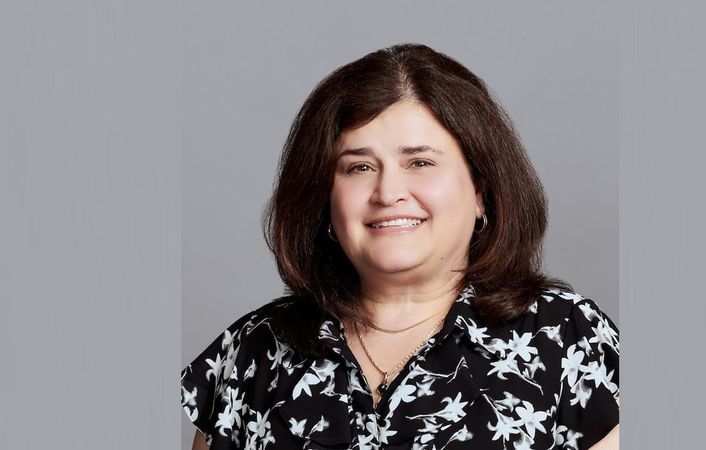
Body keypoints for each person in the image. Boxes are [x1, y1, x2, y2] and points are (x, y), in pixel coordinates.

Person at [180, 43, 620, 450]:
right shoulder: (253, 351)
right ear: (323, 199)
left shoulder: (568, 338)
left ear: (481, 192)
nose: (388, 192)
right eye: (359, 167)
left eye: (420, 162)